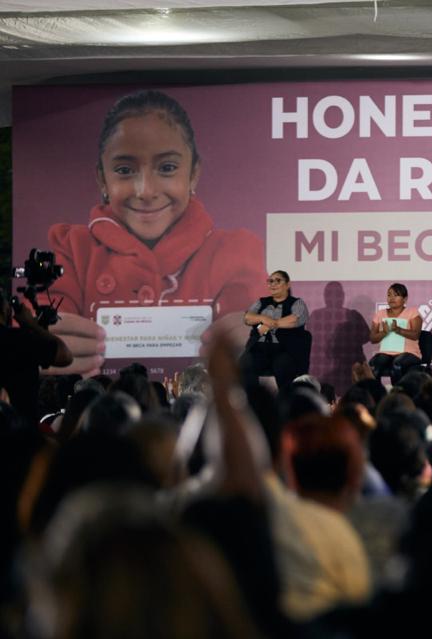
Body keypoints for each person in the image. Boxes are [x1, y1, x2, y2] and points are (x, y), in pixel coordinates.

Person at [45, 89, 265, 376]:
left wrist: (260, 343)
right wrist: (38, 342)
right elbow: (41, 315)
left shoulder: (235, 252)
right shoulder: (72, 249)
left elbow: (259, 324)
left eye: (167, 167)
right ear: (102, 177)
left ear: (193, 173)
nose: (145, 191)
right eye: (124, 170)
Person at [0, 292, 73, 421]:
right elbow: (65, 356)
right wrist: (31, 325)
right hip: (21, 432)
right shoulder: (17, 340)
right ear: (5, 310)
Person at [241, 271, 309, 391]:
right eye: (270, 281)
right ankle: (253, 400)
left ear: (288, 285)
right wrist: (263, 318)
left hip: (285, 349)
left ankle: (285, 402)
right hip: (260, 348)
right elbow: (247, 318)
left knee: (282, 365)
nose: (273, 284)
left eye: (278, 281)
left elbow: (294, 320)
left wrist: (271, 324)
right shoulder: (261, 302)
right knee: (245, 362)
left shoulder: (297, 303)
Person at [367, 283, 423, 385]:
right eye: (389, 295)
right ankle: (376, 395)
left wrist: (398, 330)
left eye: (396, 295)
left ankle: (398, 395)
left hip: (408, 353)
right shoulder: (380, 314)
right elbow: (373, 339)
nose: (391, 298)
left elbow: (416, 335)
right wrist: (384, 332)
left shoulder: (412, 312)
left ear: (405, 299)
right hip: (386, 353)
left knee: (397, 364)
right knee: (375, 365)